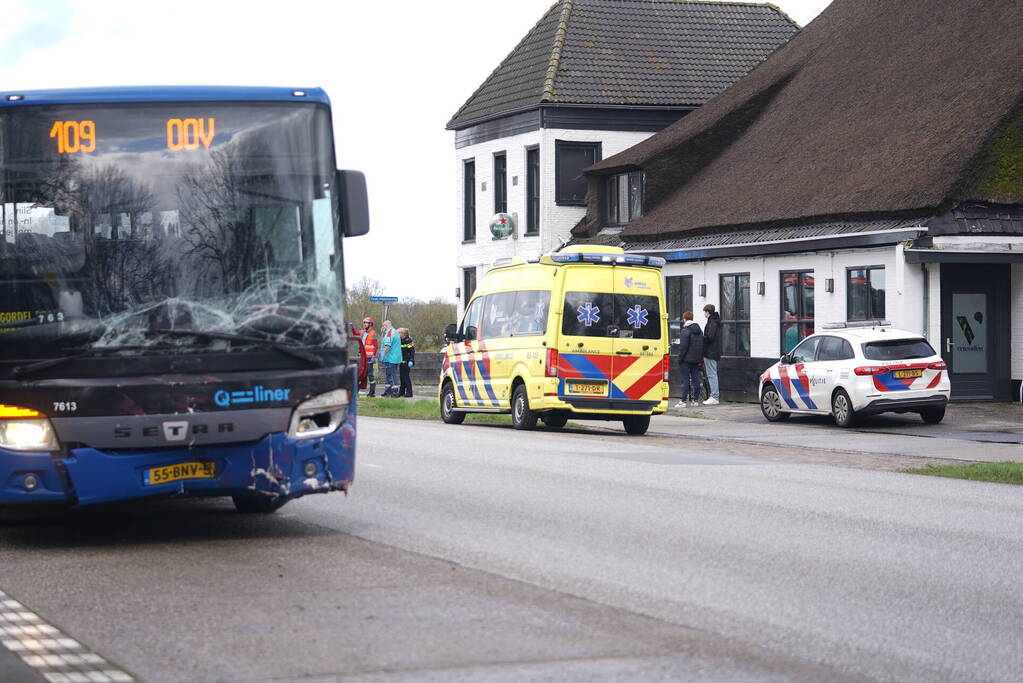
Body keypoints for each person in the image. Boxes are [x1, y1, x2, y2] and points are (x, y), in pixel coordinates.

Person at [674, 312, 704, 408]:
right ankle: (695, 401)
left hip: (686, 360)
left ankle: (683, 401)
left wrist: (680, 358)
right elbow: (701, 345)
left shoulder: (685, 331)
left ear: (685, 319)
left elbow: (683, 347)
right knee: (696, 380)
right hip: (696, 360)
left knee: (685, 381)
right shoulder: (699, 331)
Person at [702, 303, 722, 405]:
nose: (704, 314)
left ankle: (714, 397)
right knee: (712, 374)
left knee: (712, 375)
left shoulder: (712, 323)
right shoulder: (714, 322)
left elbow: (709, 337)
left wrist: (701, 337)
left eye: (704, 312)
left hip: (710, 352)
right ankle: (714, 396)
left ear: (707, 312)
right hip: (713, 352)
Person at [379, 320, 404, 397]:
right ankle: (388, 391)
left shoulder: (389, 333)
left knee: (392, 375)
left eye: (383, 326)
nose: (382, 328)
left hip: (391, 358)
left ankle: (394, 392)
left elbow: (387, 346)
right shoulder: (394, 332)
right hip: (395, 357)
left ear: (386, 326)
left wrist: (383, 355)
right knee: (389, 374)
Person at [360, 318, 378, 397]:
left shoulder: (374, 334)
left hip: (369, 358)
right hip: (362, 357)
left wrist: (373, 356)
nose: (364, 324)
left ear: (370, 324)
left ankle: (372, 392)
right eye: (364, 322)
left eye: (366, 323)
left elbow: (375, 346)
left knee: (370, 375)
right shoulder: (363, 333)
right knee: (360, 374)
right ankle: (356, 391)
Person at [398, 327, 415, 398]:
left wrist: (411, 360)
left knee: (406, 377)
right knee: (402, 377)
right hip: (402, 361)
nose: (398, 334)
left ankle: (409, 392)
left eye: (399, 333)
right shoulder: (401, 340)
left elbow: (412, 351)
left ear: (403, 334)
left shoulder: (408, 340)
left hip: (407, 361)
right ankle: (402, 392)